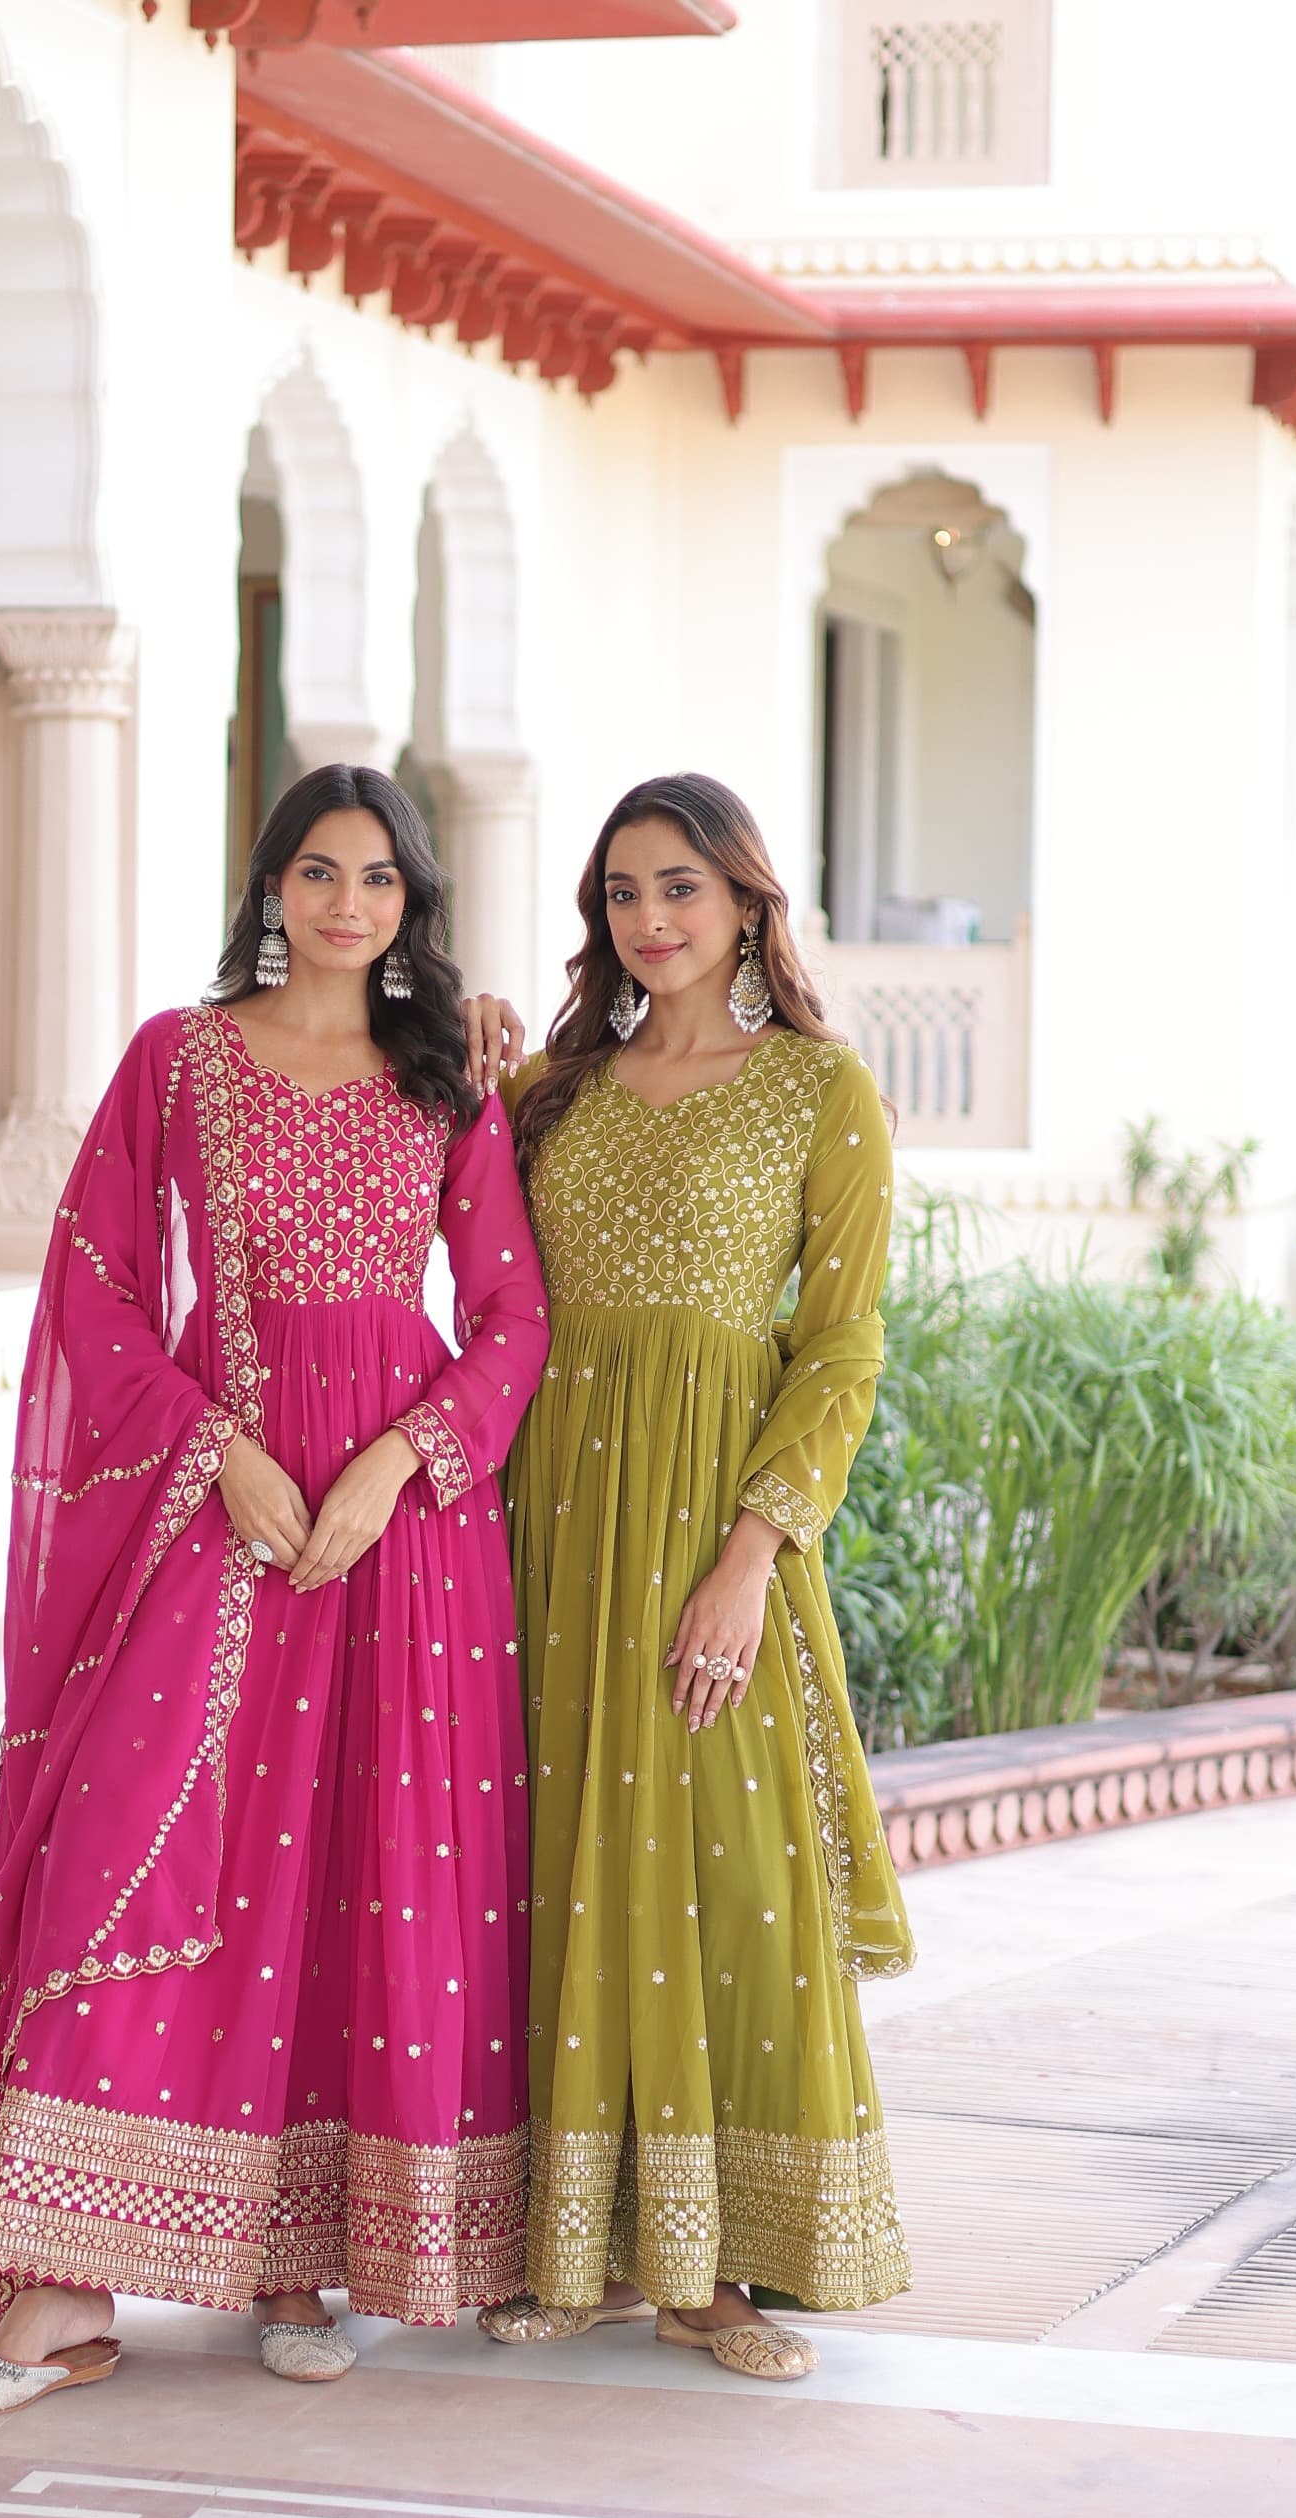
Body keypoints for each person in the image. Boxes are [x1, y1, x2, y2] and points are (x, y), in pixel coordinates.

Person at [0, 766, 549, 2418]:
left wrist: (398, 1463)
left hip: (400, 1539)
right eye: (316, 872)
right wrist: (221, 1454)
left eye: (378, 878)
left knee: (353, 1872)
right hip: (221, 1511)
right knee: (121, 1854)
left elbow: (511, 1322)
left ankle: (298, 2262)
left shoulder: (446, 1077)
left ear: (411, 901)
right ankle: (60, 2294)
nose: (346, 903)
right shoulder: (178, 1058)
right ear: (270, 888)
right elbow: (98, 1287)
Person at [471, 773, 915, 2381]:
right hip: (543, 1523)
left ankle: (713, 2269)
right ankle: (576, 2252)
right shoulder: (547, 1089)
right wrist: (461, 1047)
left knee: (724, 1873)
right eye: (620, 893)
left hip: (711, 1526)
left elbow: (841, 1346)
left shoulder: (819, 1089)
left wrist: (750, 1556)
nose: (648, 919)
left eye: (678, 888)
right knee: (554, 1861)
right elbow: (471, 1267)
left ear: (743, 902)